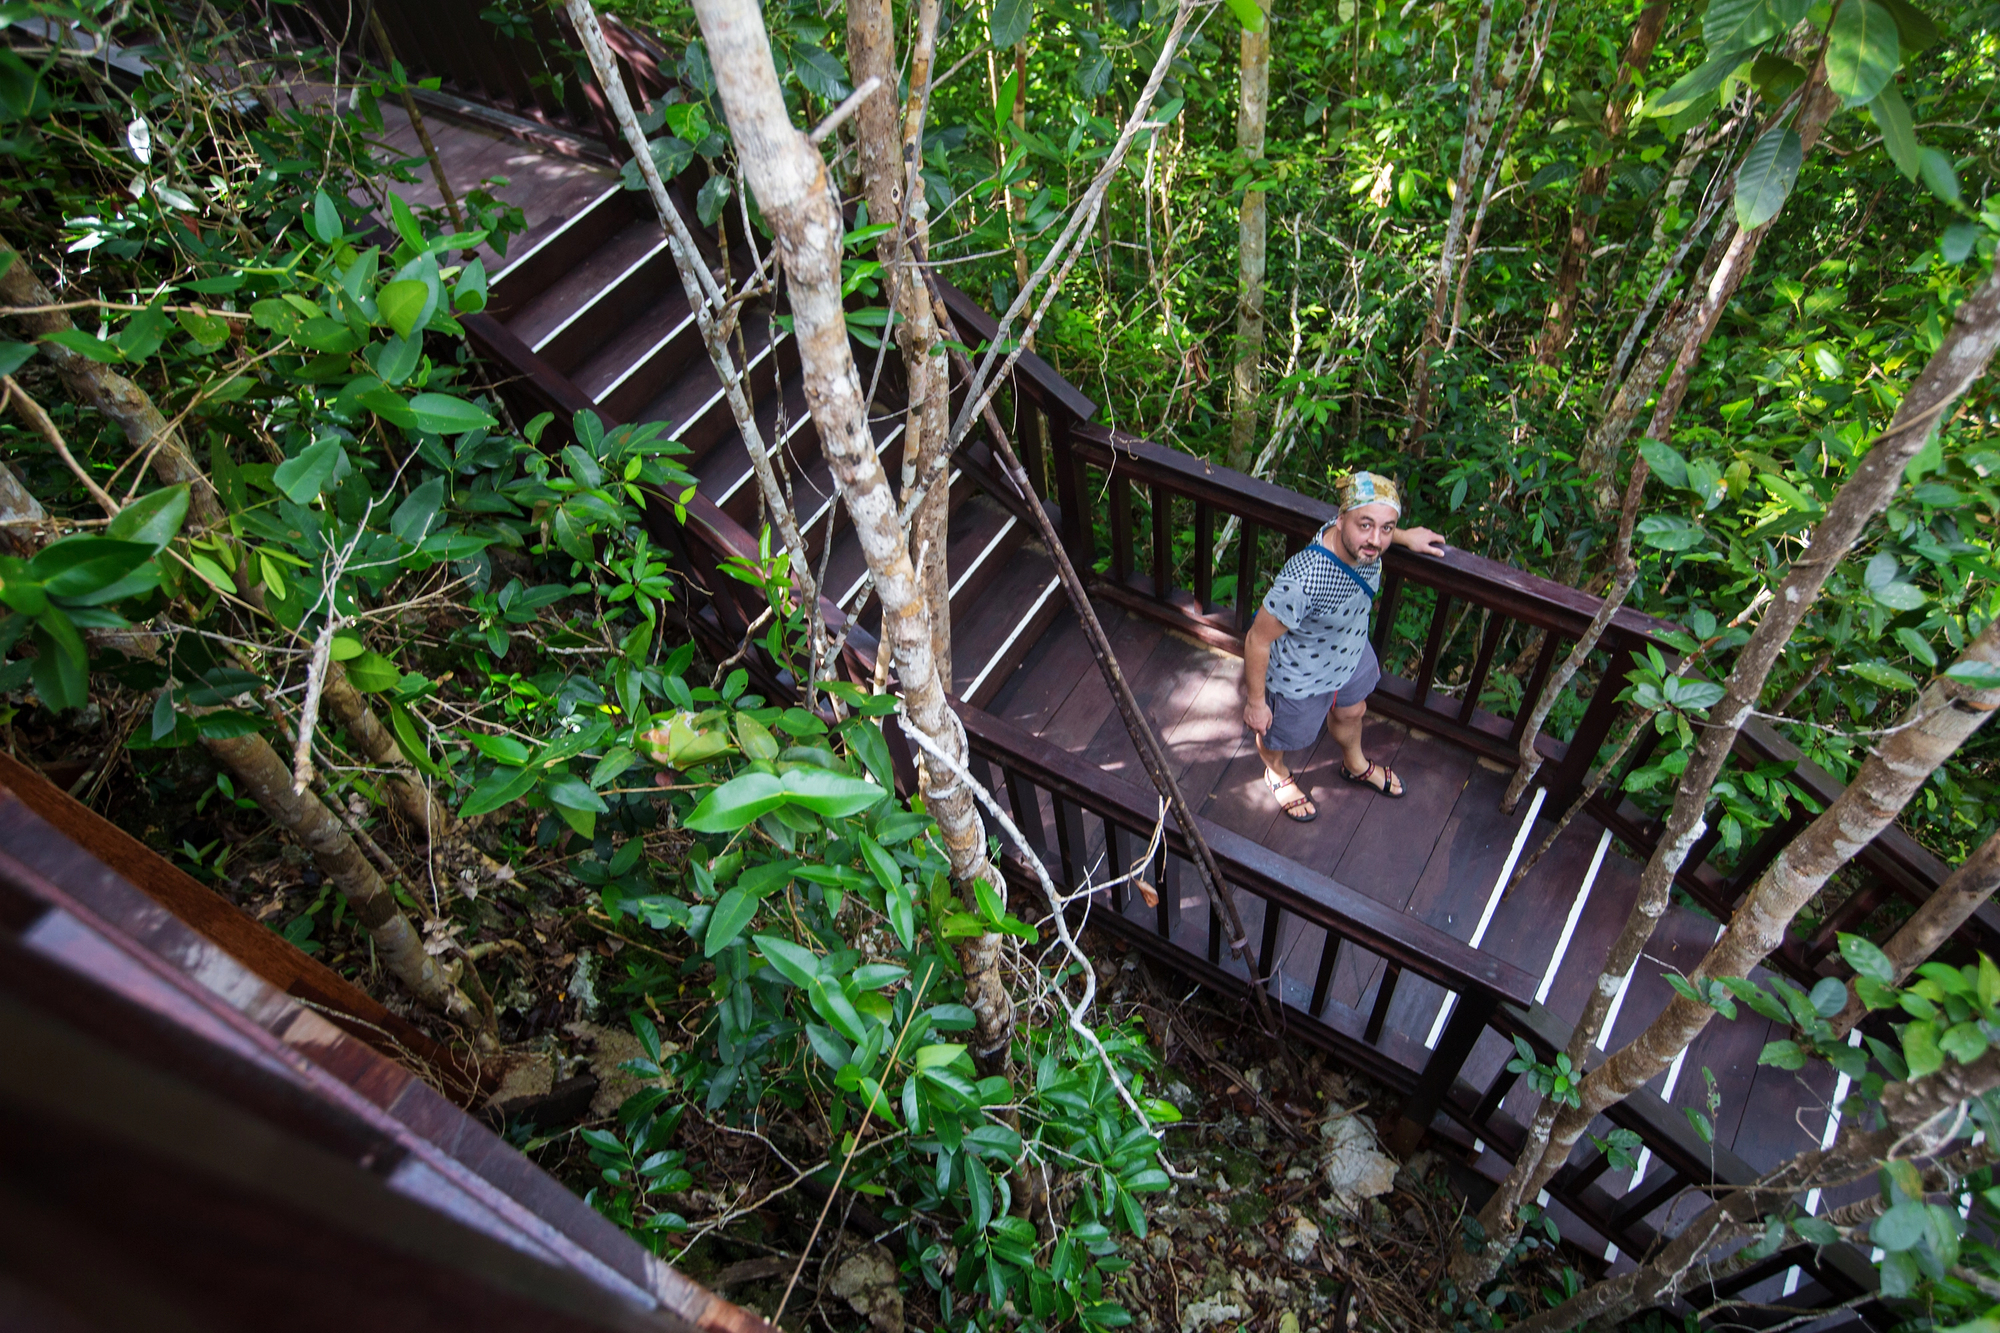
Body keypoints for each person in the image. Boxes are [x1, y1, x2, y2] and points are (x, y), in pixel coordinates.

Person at [1240, 471, 1446, 821]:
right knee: (1277, 737)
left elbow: (1376, 532)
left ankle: (1355, 764)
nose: (1376, 540)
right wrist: (1256, 702)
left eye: (1387, 528)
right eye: (1365, 525)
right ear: (1340, 520)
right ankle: (1275, 773)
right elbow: (1257, 639)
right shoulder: (1303, 580)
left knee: (1353, 711)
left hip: (1349, 651)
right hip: (1299, 675)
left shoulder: (1367, 544)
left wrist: (1407, 537)